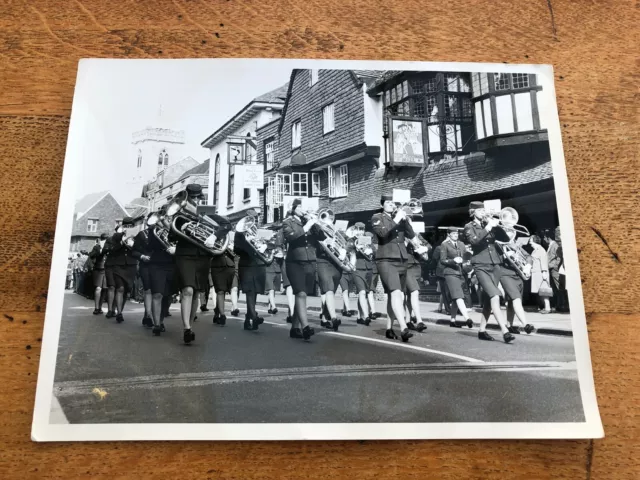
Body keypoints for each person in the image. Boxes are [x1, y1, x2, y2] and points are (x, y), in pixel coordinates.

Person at [171, 184, 228, 344]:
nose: (194, 200)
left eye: (197, 197)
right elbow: (171, 237)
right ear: (186, 197)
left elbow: (226, 225)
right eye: (192, 197)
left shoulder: (207, 212)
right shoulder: (179, 214)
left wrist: (214, 237)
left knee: (196, 292)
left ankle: (189, 325)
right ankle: (186, 327)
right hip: (185, 256)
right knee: (187, 290)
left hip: (202, 256)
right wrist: (181, 228)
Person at [463, 201, 516, 343]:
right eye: (480, 211)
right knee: (495, 295)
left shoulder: (490, 224)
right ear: (473, 212)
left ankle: (482, 330)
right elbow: (474, 242)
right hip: (480, 265)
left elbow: (505, 239)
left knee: (488, 301)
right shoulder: (469, 227)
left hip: (495, 265)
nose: (483, 213)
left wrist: (497, 225)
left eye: (483, 210)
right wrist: (488, 227)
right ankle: (505, 331)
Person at [371, 195, 416, 343]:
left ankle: (389, 328)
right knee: (396, 292)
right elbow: (382, 234)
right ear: (383, 204)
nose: (391, 205)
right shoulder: (377, 217)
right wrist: (396, 219)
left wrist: (406, 220)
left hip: (401, 259)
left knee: (394, 295)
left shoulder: (400, 217)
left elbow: (411, 234)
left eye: (393, 203)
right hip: (386, 259)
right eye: (388, 203)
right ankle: (403, 328)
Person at [282, 198, 319, 340]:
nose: (304, 209)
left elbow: (321, 236)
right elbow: (292, 237)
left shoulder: (309, 221)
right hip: (295, 262)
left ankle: (294, 327)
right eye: (301, 207)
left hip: (310, 261)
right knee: (301, 293)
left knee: (302, 295)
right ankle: (305, 327)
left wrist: (315, 222)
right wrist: (307, 225)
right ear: (294, 208)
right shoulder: (287, 222)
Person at [234, 211, 269, 331]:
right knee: (249, 291)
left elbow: (270, 243)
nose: (254, 221)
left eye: (256, 218)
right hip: (246, 265)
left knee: (254, 293)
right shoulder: (239, 233)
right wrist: (247, 243)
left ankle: (247, 320)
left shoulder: (259, 231)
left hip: (258, 265)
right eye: (252, 218)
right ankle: (254, 317)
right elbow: (236, 249)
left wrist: (264, 246)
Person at [497, 228, 535, 335]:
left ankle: (510, 326)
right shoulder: (498, 245)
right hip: (505, 275)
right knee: (516, 298)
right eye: (507, 232)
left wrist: (527, 265)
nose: (510, 235)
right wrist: (503, 256)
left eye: (511, 233)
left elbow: (528, 256)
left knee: (511, 302)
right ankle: (525, 324)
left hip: (517, 275)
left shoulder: (515, 245)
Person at [103, 217, 138, 323]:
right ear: (123, 226)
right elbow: (112, 250)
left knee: (126, 290)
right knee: (120, 288)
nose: (128, 228)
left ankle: (119, 310)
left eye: (130, 226)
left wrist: (133, 244)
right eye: (126, 226)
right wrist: (122, 242)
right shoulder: (116, 236)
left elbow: (140, 249)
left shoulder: (137, 235)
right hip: (118, 265)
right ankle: (119, 313)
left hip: (131, 265)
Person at [147, 208, 176, 336]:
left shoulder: (174, 227)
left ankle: (161, 319)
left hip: (172, 264)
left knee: (168, 295)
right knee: (157, 294)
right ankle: (156, 324)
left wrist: (169, 227)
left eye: (166, 217)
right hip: (157, 264)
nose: (165, 219)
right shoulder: (153, 231)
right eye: (163, 217)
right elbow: (151, 245)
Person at [439, 228, 474, 328]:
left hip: (461, 273)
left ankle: (453, 320)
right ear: (448, 234)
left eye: (457, 233)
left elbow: (466, 258)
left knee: (456, 298)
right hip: (450, 273)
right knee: (459, 296)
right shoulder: (445, 245)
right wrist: (453, 261)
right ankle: (467, 318)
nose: (456, 235)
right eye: (453, 233)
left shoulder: (461, 244)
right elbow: (442, 260)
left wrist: (469, 267)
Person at [315, 213, 344, 332]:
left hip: (335, 263)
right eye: (325, 218)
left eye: (330, 218)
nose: (328, 220)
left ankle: (324, 317)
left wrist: (343, 249)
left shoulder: (336, 230)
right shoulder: (316, 228)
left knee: (331, 291)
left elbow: (344, 243)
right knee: (329, 289)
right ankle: (334, 318)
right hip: (322, 261)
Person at [209, 230, 237, 326]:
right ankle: (222, 315)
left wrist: (232, 248)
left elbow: (237, 252)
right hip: (217, 266)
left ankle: (217, 312)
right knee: (220, 291)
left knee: (223, 291)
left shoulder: (231, 235)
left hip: (229, 266)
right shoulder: (210, 234)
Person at [131, 214, 154, 328]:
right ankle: (148, 315)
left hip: (161, 265)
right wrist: (142, 256)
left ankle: (157, 317)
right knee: (148, 290)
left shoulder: (165, 233)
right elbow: (134, 252)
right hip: (146, 265)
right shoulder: (142, 234)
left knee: (161, 293)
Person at [405, 234, 430, 332]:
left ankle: (408, 321)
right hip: (406, 266)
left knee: (410, 294)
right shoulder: (401, 234)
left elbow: (428, 245)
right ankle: (419, 321)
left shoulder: (416, 234)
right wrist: (407, 242)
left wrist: (423, 248)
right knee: (414, 291)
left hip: (416, 265)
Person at [352, 224, 374, 326]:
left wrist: (371, 250)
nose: (360, 232)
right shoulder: (351, 240)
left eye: (362, 229)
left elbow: (376, 251)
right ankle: (366, 316)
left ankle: (359, 316)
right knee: (361, 292)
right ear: (354, 230)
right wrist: (355, 247)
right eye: (358, 229)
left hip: (368, 269)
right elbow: (346, 250)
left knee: (365, 293)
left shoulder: (367, 239)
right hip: (357, 268)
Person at [527, 234, 552, 313]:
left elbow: (543, 262)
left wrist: (544, 272)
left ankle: (547, 308)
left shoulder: (541, 250)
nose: (529, 242)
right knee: (540, 292)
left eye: (531, 240)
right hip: (536, 273)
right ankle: (543, 307)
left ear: (535, 241)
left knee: (544, 291)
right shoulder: (535, 250)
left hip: (540, 273)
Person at [88, 234, 108, 314]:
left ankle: (100, 307)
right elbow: (91, 255)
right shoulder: (96, 247)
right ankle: (96, 308)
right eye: (104, 240)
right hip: (98, 269)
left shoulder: (110, 247)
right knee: (98, 288)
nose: (105, 242)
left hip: (107, 269)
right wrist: (99, 251)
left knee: (105, 289)